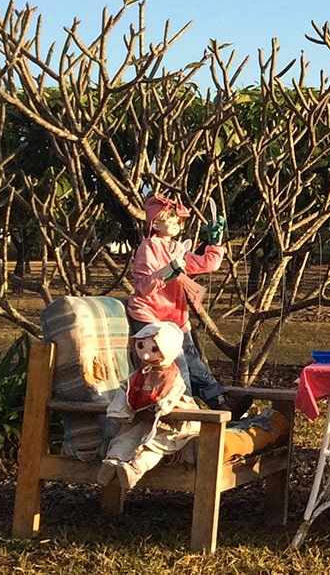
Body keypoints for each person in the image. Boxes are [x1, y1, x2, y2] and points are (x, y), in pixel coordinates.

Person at [125, 194, 236, 414]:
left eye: (178, 220)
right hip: (151, 317)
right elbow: (143, 286)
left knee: (195, 364)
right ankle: (185, 415)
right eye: (171, 220)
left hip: (175, 317)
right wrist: (166, 273)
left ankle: (222, 403)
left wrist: (215, 243)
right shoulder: (148, 247)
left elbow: (206, 264)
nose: (176, 224)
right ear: (155, 224)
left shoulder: (175, 249)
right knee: (179, 367)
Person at [98, 321, 202, 489]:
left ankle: (134, 469)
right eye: (140, 346)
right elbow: (126, 388)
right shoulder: (138, 375)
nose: (146, 356)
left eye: (154, 349)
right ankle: (112, 462)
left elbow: (173, 392)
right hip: (140, 419)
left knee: (154, 445)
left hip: (167, 424)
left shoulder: (171, 376)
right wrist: (119, 409)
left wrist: (162, 406)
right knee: (125, 438)